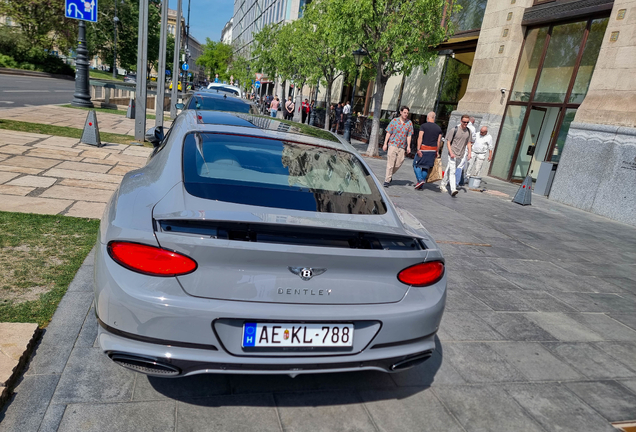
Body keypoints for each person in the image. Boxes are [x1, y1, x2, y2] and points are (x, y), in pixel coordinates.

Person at [440, 114, 472, 197]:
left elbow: (469, 143)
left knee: (450, 169)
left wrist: (469, 153)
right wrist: (450, 152)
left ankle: (443, 184)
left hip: (460, 154)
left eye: (467, 122)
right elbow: (448, 142)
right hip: (452, 153)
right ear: (461, 121)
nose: (465, 123)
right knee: (453, 171)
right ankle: (453, 189)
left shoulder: (468, 131)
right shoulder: (454, 130)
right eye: (464, 122)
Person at [382, 106, 414, 188]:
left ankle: (389, 174)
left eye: (407, 113)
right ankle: (387, 180)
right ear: (401, 112)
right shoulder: (394, 121)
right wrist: (385, 144)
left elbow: (409, 135)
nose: (406, 114)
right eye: (404, 112)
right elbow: (388, 132)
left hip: (402, 146)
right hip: (393, 144)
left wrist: (408, 146)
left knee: (399, 162)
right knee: (390, 163)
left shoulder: (409, 123)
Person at [413, 112, 443, 190]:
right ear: (434, 118)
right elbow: (438, 141)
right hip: (432, 150)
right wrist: (437, 151)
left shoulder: (423, 126)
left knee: (415, 164)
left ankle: (420, 180)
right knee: (425, 167)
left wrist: (418, 149)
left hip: (424, 148)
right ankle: (421, 185)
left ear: (428, 117)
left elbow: (420, 137)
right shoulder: (438, 128)